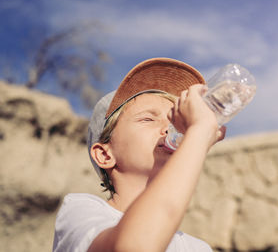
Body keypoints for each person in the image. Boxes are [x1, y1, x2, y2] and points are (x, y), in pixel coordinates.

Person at [52, 57, 226, 252]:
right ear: (104, 155)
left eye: (174, 120)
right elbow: (132, 246)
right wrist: (199, 131)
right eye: (148, 119)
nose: (170, 129)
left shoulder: (198, 248)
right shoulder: (80, 211)